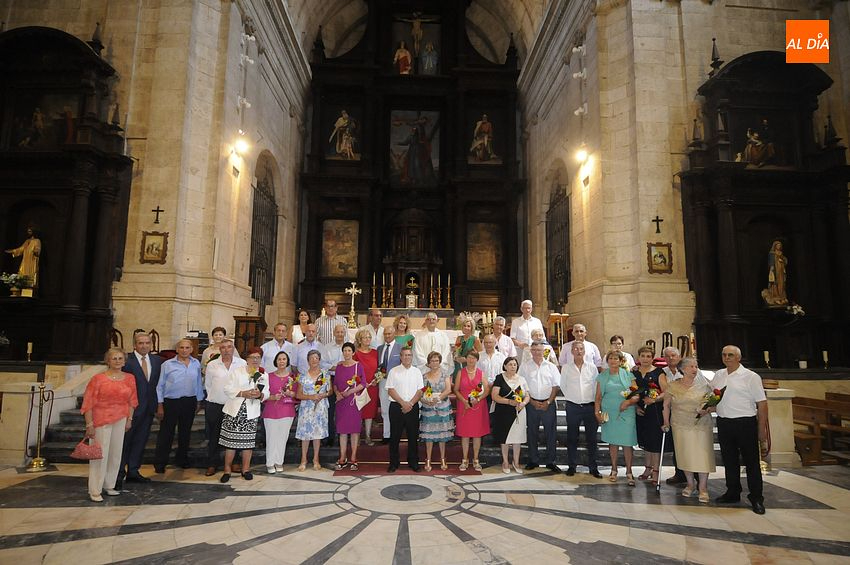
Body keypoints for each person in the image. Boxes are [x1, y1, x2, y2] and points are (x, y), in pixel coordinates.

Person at [712, 345, 769, 514]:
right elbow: (712, 397)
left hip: (745, 423)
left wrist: (761, 429)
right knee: (729, 461)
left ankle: (756, 497)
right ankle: (733, 492)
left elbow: (762, 404)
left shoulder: (751, 377)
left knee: (751, 462)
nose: (727, 358)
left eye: (730, 355)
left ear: (738, 357)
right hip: (724, 423)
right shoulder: (719, 374)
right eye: (724, 355)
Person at [81, 348, 138, 502]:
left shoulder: (130, 378)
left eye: (120, 358)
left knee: (115, 454)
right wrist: (89, 424)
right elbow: (88, 402)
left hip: (121, 419)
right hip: (101, 420)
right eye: (114, 358)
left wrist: (129, 419)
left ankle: (109, 485)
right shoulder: (98, 379)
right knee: (100, 455)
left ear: (124, 361)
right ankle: (95, 489)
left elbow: (132, 401)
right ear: (108, 361)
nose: (117, 361)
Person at [663, 357, 715, 503]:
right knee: (685, 455)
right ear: (682, 369)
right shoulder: (673, 385)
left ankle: (703, 487)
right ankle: (690, 484)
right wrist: (666, 422)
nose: (694, 369)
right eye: (691, 366)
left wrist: (707, 410)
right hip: (680, 424)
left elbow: (714, 404)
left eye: (696, 366)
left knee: (703, 456)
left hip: (701, 425)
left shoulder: (704, 385)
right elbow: (666, 405)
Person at [117, 331, 161, 487]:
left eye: (147, 343)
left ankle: (133, 472)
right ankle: (118, 474)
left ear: (151, 345)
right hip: (130, 409)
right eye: (141, 343)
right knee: (124, 442)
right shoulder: (126, 361)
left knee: (140, 441)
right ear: (135, 345)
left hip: (148, 408)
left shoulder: (157, 361)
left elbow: (156, 385)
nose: (144, 346)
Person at [219, 347, 268, 483]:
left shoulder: (263, 374)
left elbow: (267, 392)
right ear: (247, 359)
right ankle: (227, 470)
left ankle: (246, 470)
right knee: (230, 443)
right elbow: (227, 388)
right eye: (252, 357)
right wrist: (243, 393)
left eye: (258, 357)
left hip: (251, 413)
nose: (255, 360)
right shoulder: (237, 371)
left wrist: (260, 395)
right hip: (235, 411)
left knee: (248, 443)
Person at [154, 339, 204, 472]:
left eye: (187, 348)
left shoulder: (196, 363)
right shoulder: (167, 364)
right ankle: (160, 462)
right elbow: (160, 386)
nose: (184, 350)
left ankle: (182, 459)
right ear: (177, 349)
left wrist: (199, 401)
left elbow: (198, 383)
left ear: (191, 349)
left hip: (189, 401)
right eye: (181, 347)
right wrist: (160, 404)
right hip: (171, 402)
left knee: (185, 432)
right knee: (166, 433)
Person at [203, 337, 246, 477]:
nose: (226, 350)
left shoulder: (242, 363)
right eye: (223, 347)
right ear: (219, 349)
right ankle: (212, 463)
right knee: (214, 436)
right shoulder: (212, 364)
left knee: (235, 435)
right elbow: (208, 384)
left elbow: (244, 383)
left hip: (234, 405)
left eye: (229, 347)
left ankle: (235, 462)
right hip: (216, 404)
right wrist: (215, 397)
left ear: (233, 349)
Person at [595, 350, 639, 485]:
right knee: (612, 442)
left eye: (616, 359)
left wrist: (628, 401)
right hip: (610, 413)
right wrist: (597, 413)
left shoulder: (628, 374)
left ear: (621, 361)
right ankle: (613, 470)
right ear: (607, 361)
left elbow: (635, 391)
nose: (613, 361)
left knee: (627, 443)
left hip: (626, 411)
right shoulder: (602, 376)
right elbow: (598, 397)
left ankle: (629, 472)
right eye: (611, 358)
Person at [560, 342, 602, 478]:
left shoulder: (592, 367)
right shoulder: (566, 368)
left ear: (585, 351)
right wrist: (573, 398)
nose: (578, 351)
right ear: (572, 351)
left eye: (581, 349)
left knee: (592, 438)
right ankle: (572, 466)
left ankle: (593, 467)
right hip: (573, 406)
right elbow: (563, 386)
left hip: (589, 406)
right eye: (576, 349)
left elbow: (596, 386)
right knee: (572, 437)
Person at [519, 341, 560, 472]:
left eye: (539, 350)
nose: (537, 352)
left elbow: (556, 386)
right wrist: (531, 401)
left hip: (549, 404)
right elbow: (520, 386)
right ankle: (533, 460)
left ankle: (551, 461)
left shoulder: (551, 367)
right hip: (531, 404)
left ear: (544, 351)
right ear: (531, 351)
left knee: (551, 433)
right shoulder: (525, 366)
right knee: (532, 433)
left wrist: (548, 402)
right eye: (534, 350)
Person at [632, 345, 669, 483]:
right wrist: (636, 406)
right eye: (643, 356)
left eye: (648, 356)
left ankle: (656, 471)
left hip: (655, 411)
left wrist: (654, 399)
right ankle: (647, 468)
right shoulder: (634, 372)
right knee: (646, 441)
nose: (645, 359)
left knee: (654, 442)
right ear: (639, 357)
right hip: (641, 410)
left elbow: (666, 392)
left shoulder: (658, 372)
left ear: (653, 358)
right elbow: (631, 391)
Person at [386, 347, 424, 472]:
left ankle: (413, 462)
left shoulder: (417, 372)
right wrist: (403, 403)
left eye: (409, 355)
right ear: (400, 357)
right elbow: (390, 390)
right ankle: (393, 463)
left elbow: (420, 391)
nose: (407, 357)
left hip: (412, 407)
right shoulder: (393, 371)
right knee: (394, 437)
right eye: (404, 355)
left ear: (412, 357)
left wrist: (410, 403)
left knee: (413, 437)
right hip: (397, 406)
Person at [491, 357, 529, 474]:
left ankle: (516, 462)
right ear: (505, 366)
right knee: (505, 438)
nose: (513, 367)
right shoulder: (500, 378)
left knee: (517, 438)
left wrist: (523, 404)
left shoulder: (521, 379)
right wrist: (508, 402)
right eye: (510, 364)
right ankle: (505, 462)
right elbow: (494, 396)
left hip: (518, 411)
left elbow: (527, 396)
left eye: (514, 364)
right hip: (503, 411)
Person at [262, 351, 298, 473]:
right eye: (279, 359)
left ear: (287, 361)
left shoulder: (293, 378)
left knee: (283, 438)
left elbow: (297, 394)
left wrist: (290, 393)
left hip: (287, 411)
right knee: (271, 437)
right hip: (271, 411)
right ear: (275, 361)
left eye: (284, 359)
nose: (282, 361)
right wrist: (272, 397)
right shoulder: (268, 376)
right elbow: (262, 394)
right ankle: (270, 463)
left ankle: (279, 462)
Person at [454, 350, 490, 471]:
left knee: (477, 434)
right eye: (469, 357)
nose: (471, 360)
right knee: (464, 434)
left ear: (477, 360)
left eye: (473, 358)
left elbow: (487, 390)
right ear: (466, 359)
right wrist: (464, 401)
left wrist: (478, 399)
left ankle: (475, 459)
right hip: (464, 405)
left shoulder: (481, 373)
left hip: (478, 407)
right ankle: (464, 460)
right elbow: (456, 389)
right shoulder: (461, 372)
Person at [332, 342, 365, 470]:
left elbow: (363, 384)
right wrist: (337, 393)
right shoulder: (339, 367)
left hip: (353, 401)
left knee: (354, 431)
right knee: (342, 431)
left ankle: (354, 458)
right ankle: (342, 457)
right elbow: (335, 383)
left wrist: (349, 392)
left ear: (353, 352)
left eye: (349, 350)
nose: (346, 353)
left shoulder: (358, 366)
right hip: (341, 402)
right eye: (344, 350)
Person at [295, 350, 331, 471]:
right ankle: (303, 460)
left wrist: (323, 395)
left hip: (320, 407)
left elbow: (330, 391)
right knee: (305, 434)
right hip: (306, 407)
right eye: (311, 358)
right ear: (308, 360)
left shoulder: (325, 375)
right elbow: (298, 394)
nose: (314, 360)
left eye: (316, 358)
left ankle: (316, 459)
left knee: (317, 434)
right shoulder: (302, 376)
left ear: (319, 360)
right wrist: (311, 397)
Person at [420, 352, 454, 471]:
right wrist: (425, 400)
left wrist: (437, 399)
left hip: (442, 407)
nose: (434, 363)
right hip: (428, 407)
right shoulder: (424, 376)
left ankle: (443, 458)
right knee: (428, 435)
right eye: (432, 361)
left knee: (442, 434)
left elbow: (448, 390)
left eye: (436, 360)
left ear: (439, 362)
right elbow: (420, 392)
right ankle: (428, 459)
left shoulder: (445, 375)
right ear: (428, 363)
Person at [661, 346, 687, 486]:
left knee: (687, 444)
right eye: (667, 356)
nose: (670, 358)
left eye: (673, 355)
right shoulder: (661, 372)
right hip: (669, 410)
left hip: (686, 411)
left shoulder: (688, 370)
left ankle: (693, 473)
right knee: (676, 444)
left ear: (679, 357)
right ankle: (680, 473)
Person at [320, 323, 348, 447]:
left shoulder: (348, 346)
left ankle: (344, 435)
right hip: (331, 379)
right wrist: (337, 367)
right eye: (338, 332)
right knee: (330, 410)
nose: (340, 334)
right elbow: (323, 364)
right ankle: (330, 437)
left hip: (346, 381)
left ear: (345, 333)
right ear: (333, 333)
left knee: (345, 410)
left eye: (342, 332)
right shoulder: (327, 347)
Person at [354, 328, 380, 445]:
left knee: (369, 412)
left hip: (372, 386)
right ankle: (357, 436)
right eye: (365, 337)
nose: (368, 339)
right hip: (360, 387)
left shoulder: (375, 352)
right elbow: (353, 372)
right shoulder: (356, 354)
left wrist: (376, 379)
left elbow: (380, 369)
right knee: (359, 411)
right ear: (360, 340)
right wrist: (361, 383)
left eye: (369, 337)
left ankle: (368, 436)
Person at [376, 326, 402, 443]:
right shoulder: (380, 348)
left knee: (396, 409)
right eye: (385, 334)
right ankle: (386, 435)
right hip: (383, 382)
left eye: (389, 334)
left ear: (394, 334)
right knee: (384, 409)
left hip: (396, 383)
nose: (387, 336)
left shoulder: (400, 347)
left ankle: (396, 434)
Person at [761, 240, 789, 306]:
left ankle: (781, 297)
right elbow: (771, 263)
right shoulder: (772, 253)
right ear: (775, 246)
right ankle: (775, 298)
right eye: (778, 245)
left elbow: (785, 261)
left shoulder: (781, 253)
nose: (779, 247)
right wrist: (772, 269)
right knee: (775, 283)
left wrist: (782, 260)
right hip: (775, 270)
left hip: (781, 270)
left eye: (780, 246)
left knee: (781, 284)